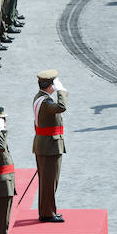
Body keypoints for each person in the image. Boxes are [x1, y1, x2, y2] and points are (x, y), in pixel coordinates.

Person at [32, 70, 68, 222]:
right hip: (49, 146)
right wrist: (61, 91)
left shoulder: (41, 98)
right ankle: (47, 213)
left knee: (49, 181)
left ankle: (48, 210)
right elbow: (61, 107)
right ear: (50, 85)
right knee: (49, 182)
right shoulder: (46, 102)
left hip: (47, 145)